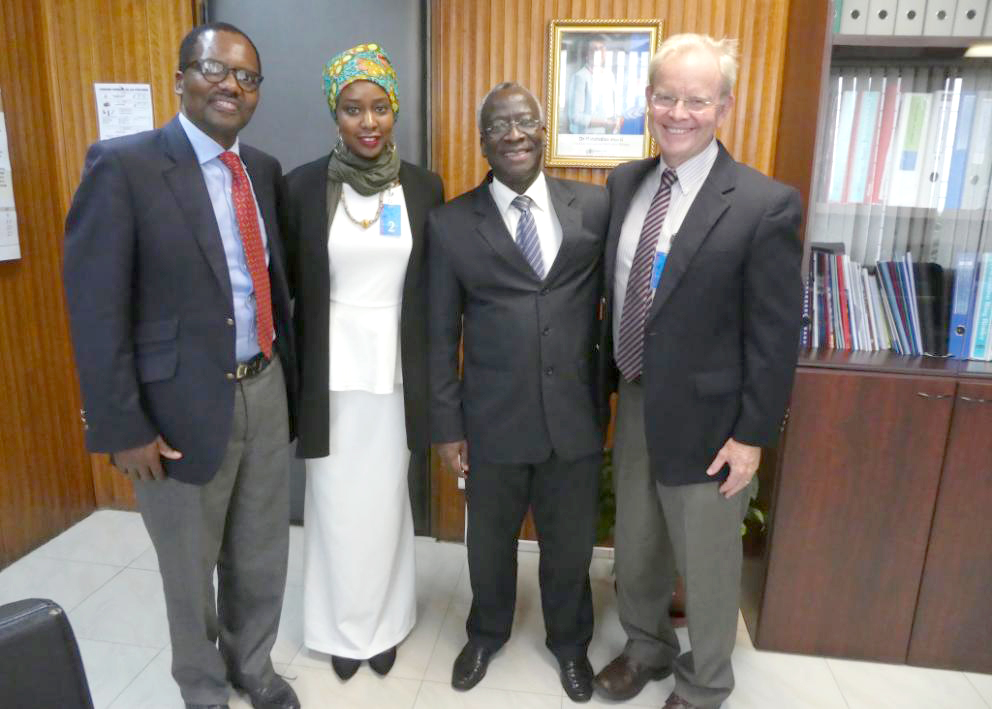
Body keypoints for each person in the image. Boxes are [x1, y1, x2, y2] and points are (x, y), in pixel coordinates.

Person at [62, 22, 299, 709]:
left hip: (264, 384)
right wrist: (121, 425)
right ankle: (202, 688)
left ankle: (253, 666)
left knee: (260, 552)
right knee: (188, 568)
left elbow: (271, 284)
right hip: (173, 409)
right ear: (180, 79)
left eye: (247, 77)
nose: (231, 85)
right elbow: (95, 307)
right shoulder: (123, 165)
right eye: (214, 70)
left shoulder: (262, 169)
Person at [592, 34, 802, 709]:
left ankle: (706, 682)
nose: (678, 111)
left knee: (708, 566)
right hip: (637, 397)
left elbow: (774, 335)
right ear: (648, 99)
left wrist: (751, 436)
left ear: (724, 107)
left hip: (715, 424)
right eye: (665, 96)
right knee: (640, 545)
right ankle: (647, 647)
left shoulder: (762, 203)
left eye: (696, 99)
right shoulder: (626, 182)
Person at [428, 82, 608, 703]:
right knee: (488, 543)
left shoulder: (594, 208)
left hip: (574, 419)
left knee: (570, 544)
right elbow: (436, 334)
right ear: (482, 142)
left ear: (544, 131)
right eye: (499, 125)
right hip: (491, 420)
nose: (514, 134)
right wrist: (448, 427)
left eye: (524, 121)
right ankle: (486, 632)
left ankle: (570, 644)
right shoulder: (450, 223)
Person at [283, 43, 444, 681]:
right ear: (335, 114)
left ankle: (383, 625)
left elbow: (435, 289)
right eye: (353, 109)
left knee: (385, 506)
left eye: (379, 107)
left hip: (397, 378)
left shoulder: (425, 188)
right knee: (333, 505)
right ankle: (338, 629)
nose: (368, 122)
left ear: (394, 108)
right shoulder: (299, 187)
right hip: (330, 379)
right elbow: (286, 285)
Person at [566, 36, 622, 134]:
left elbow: (615, 107)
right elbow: (575, 117)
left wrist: (618, 119)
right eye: (594, 49)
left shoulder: (610, 75)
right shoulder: (580, 77)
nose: (599, 52)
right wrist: (605, 123)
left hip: (609, 136)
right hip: (586, 138)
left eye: (602, 48)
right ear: (587, 54)